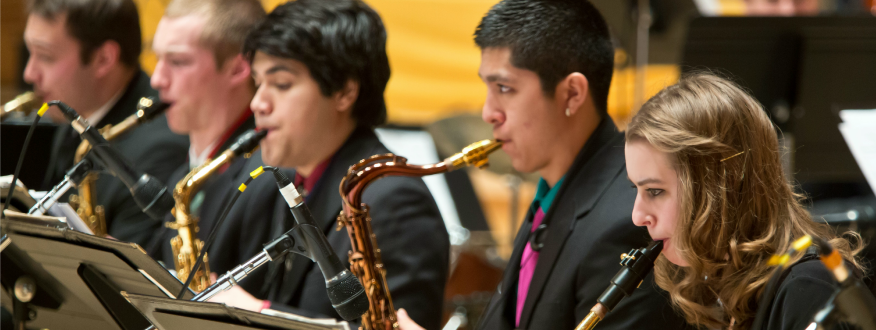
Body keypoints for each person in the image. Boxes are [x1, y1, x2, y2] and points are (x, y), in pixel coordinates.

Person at [400, 0, 688, 329]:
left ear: (572, 94)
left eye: (505, 88)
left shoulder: (632, 219)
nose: (488, 112)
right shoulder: (555, 189)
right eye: (488, 87)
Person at [204, 1, 449, 329]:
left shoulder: (397, 202)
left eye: (281, 84)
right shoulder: (280, 179)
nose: (257, 103)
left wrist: (259, 312)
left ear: (344, 91)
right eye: (258, 82)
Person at [624, 73, 865, 330]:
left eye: (655, 191)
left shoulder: (810, 292)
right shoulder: (710, 286)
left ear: (725, 180)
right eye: (636, 189)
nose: (637, 216)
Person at [23, 0, 188, 245]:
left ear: (104, 58)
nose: (29, 73)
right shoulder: (77, 113)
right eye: (30, 53)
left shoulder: (158, 149)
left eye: (45, 56)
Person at [146, 0, 266, 266]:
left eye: (177, 61)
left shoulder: (265, 174)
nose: (157, 79)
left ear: (238, 68)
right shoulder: (183, 173)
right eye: (158, 58)